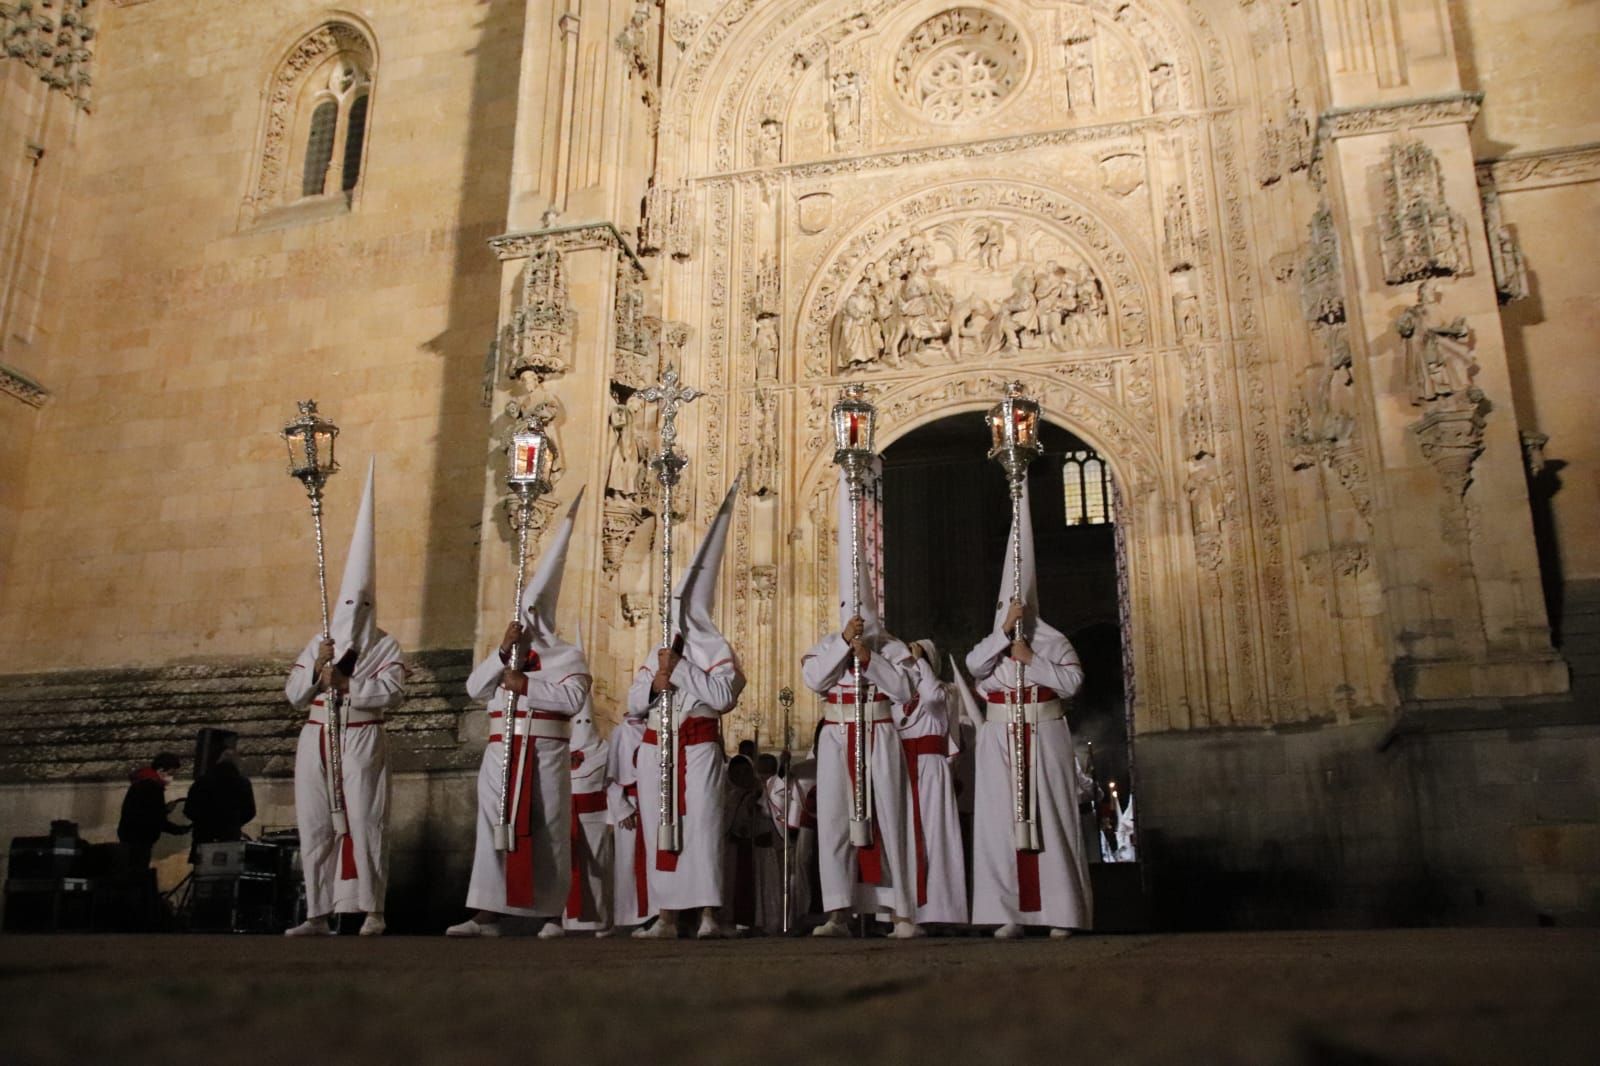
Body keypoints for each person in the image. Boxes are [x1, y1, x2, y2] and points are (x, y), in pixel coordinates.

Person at [448, 493, 591, 938]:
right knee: (495, 826)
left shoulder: (568, 655)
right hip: (502, 749)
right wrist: (502, 654)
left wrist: (527, 685)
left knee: (547, 829)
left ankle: (553, 913)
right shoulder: (506, 655)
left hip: (545, 749)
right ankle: (488, 913)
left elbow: (571, 700)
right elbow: (475, 689)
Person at [284, 461, 405, 937]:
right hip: (316, 735)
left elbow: (391, 693)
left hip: (359, 736)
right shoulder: (321, 641)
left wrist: (348, 684)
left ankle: (371, 909)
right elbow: (294, 694)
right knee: (314, 823)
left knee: (365, 821)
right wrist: (319, 671)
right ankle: (316, 911)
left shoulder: (387, 646)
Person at [967, 483, 1093, 939]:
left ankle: (1061, 911)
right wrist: (1004, 639)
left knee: (1051, 817)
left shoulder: (1054, 640)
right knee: (1001, 821)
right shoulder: (993, 642)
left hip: (1044, 731)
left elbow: (1073, 682)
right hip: (1001, 736)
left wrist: (1031, 660)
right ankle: (1009, 913)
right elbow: (973, 665)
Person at [801, 468, 921, 939]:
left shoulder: (890, 646)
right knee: (834, 820)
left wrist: (868, 657)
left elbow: (905, 690)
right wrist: (841, 647)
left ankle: (900, 910)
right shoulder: (826, 645)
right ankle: (838, 911)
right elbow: (814, 679)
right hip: (836, 735)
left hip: (878, 731)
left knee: (888, 817)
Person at [630, 479, 746, 940]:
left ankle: (710, 916)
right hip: (658, 746)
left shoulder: (716, 647)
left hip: (697, 748)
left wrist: (679, 670)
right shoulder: (659, 649)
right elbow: (634, 702)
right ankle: (665, 915)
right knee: (661, 825)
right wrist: (658, 682)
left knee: (701, 826)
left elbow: (722, 697)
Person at [897, 641, 969, 928]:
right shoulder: (898, 693)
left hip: (930, 767)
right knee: (903, 837)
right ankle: (905, 912)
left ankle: (939, 910)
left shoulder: (946, 691)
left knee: (934, 834)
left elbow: (931, 698)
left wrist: (921, 662)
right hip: (902, 767)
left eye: (920, 658)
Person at [563, 693, 613, 937]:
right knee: (569, 867)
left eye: (586, 722)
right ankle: (568, 920)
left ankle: (600, 919)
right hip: (568, 817)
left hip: (596, 817)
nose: (583, 727)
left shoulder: (605, 750)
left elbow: (612, 784)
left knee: (597, 869)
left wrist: (614, 815)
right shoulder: (562, 751)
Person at [607, 702, 650, 933]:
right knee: (628, 862)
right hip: (630, 804)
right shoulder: (620, 732)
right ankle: (627, 917)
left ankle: (651, 914)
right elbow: (612, 774)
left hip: (652, 804)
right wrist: (621, 808)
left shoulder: (655, 727)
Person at [117, 751, 188, 870]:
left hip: (129, 834)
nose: (171, 778)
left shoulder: (140, 783)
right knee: (138, 870)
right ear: (161, 770)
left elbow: (145, 811)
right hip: (140, 838)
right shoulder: (153, 787)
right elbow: (155, 818)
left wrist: (164, 810)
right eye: (171, 773)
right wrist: (178, 830)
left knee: (130, 870)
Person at [183, 746, 256, 856]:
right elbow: (250, 811)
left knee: (202, 869)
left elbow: (189, 809)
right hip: (229, 836)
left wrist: (202, 822)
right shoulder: (243, 783)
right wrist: (234, 823)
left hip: (203, 835)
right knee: (226, 869)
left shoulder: (202, 781)